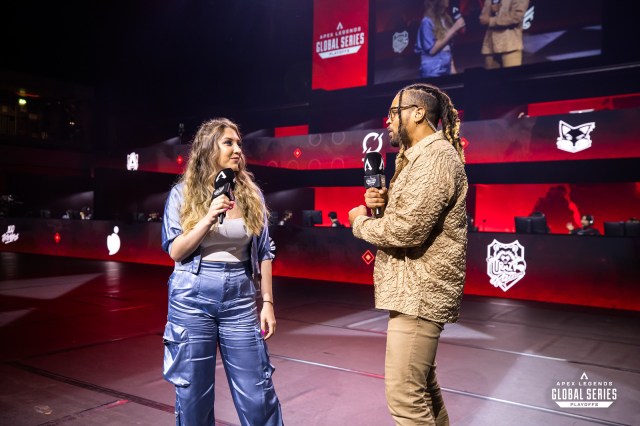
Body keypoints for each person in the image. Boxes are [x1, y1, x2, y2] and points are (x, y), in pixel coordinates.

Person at [348, 83, 467, 425]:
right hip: (414, 292)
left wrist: (359, 222)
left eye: (393, 112)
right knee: (423, 389)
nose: (387, 121)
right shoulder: (421, 158)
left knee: (404, 397)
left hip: (419, 293)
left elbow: (406, 231)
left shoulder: (434, 160)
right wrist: (384, 207)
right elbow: (407, 221)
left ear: (417, 113)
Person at [161, 118, 283, 426]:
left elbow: (265, 251)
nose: (237, 149)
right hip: (191, 298)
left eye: (239, 143)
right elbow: (176, 251)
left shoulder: (251, 194)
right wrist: (207, 216)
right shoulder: (182, 194)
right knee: (193, 396)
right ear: (207, 149)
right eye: (228, 143)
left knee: (258, 395)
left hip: (240, 299)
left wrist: (267, 302)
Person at [415, 0, 466, 78]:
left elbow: (447, 48)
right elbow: (432, 50)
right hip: (433, 70)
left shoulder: (445, 19)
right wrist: (453, 29)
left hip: (446, 67)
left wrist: (453, 70)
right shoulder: (427, 22)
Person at [479, 0, 529, 69]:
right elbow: (483, 17)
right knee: (491, 78)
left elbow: (516, 17)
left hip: (510, 46)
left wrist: (491, 20)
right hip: (490, 46)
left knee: (512, 77)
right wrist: (489, 12)